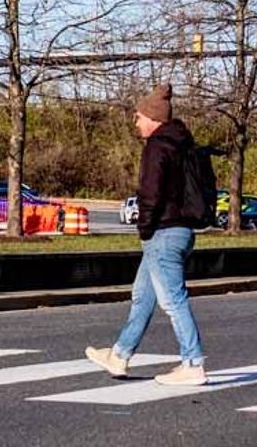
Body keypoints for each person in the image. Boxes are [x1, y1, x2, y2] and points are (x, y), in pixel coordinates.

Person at [85, 83, 206, 386]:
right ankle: (120, 355)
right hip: (180, 231)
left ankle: (193, 363)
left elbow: (150, 194)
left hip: (163, 232)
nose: (136, 122)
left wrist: (144, 229)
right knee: (143, 297)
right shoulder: (183, 145)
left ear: (152, 118)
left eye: (139, 116)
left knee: (173, 300)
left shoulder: (157, 147)